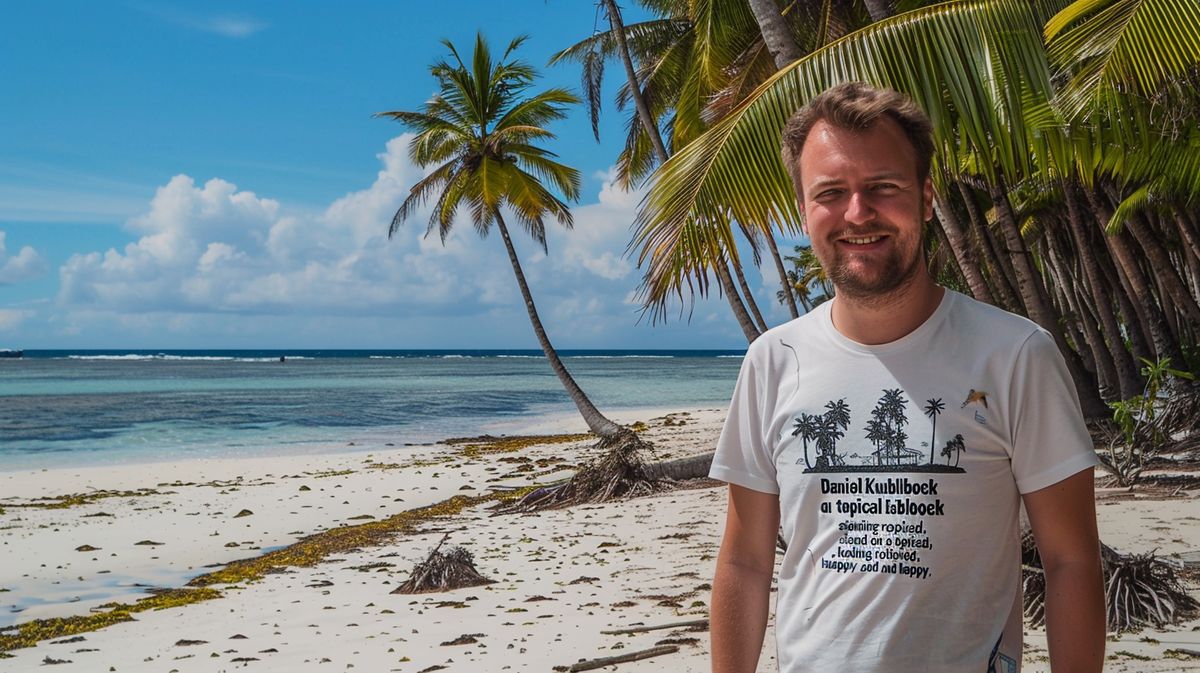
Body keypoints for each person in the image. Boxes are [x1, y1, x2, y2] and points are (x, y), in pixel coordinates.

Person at [708, 82, 1104, 673]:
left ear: (924, 198)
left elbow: (1070, 561)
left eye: (883, 188)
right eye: (831, 193)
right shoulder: (773, 360)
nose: (858, 213)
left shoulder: (1014, 353)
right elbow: (744, 563)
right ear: (805, 211)